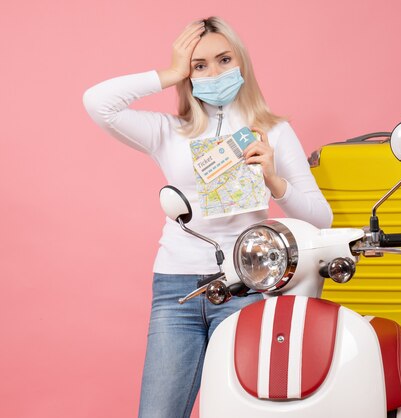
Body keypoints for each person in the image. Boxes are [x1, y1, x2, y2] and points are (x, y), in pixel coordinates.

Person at [83, 16, 332, 418]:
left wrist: (273, 178)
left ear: (242, 65)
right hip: (176, 289)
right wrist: (169, 73)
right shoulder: (168, 132)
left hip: (247, 285)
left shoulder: (274, 131)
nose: (213, 72)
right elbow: (98, 102)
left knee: (237, 411)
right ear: (189, 75)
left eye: (223, 60)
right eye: (200, 66)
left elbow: (321, 218)